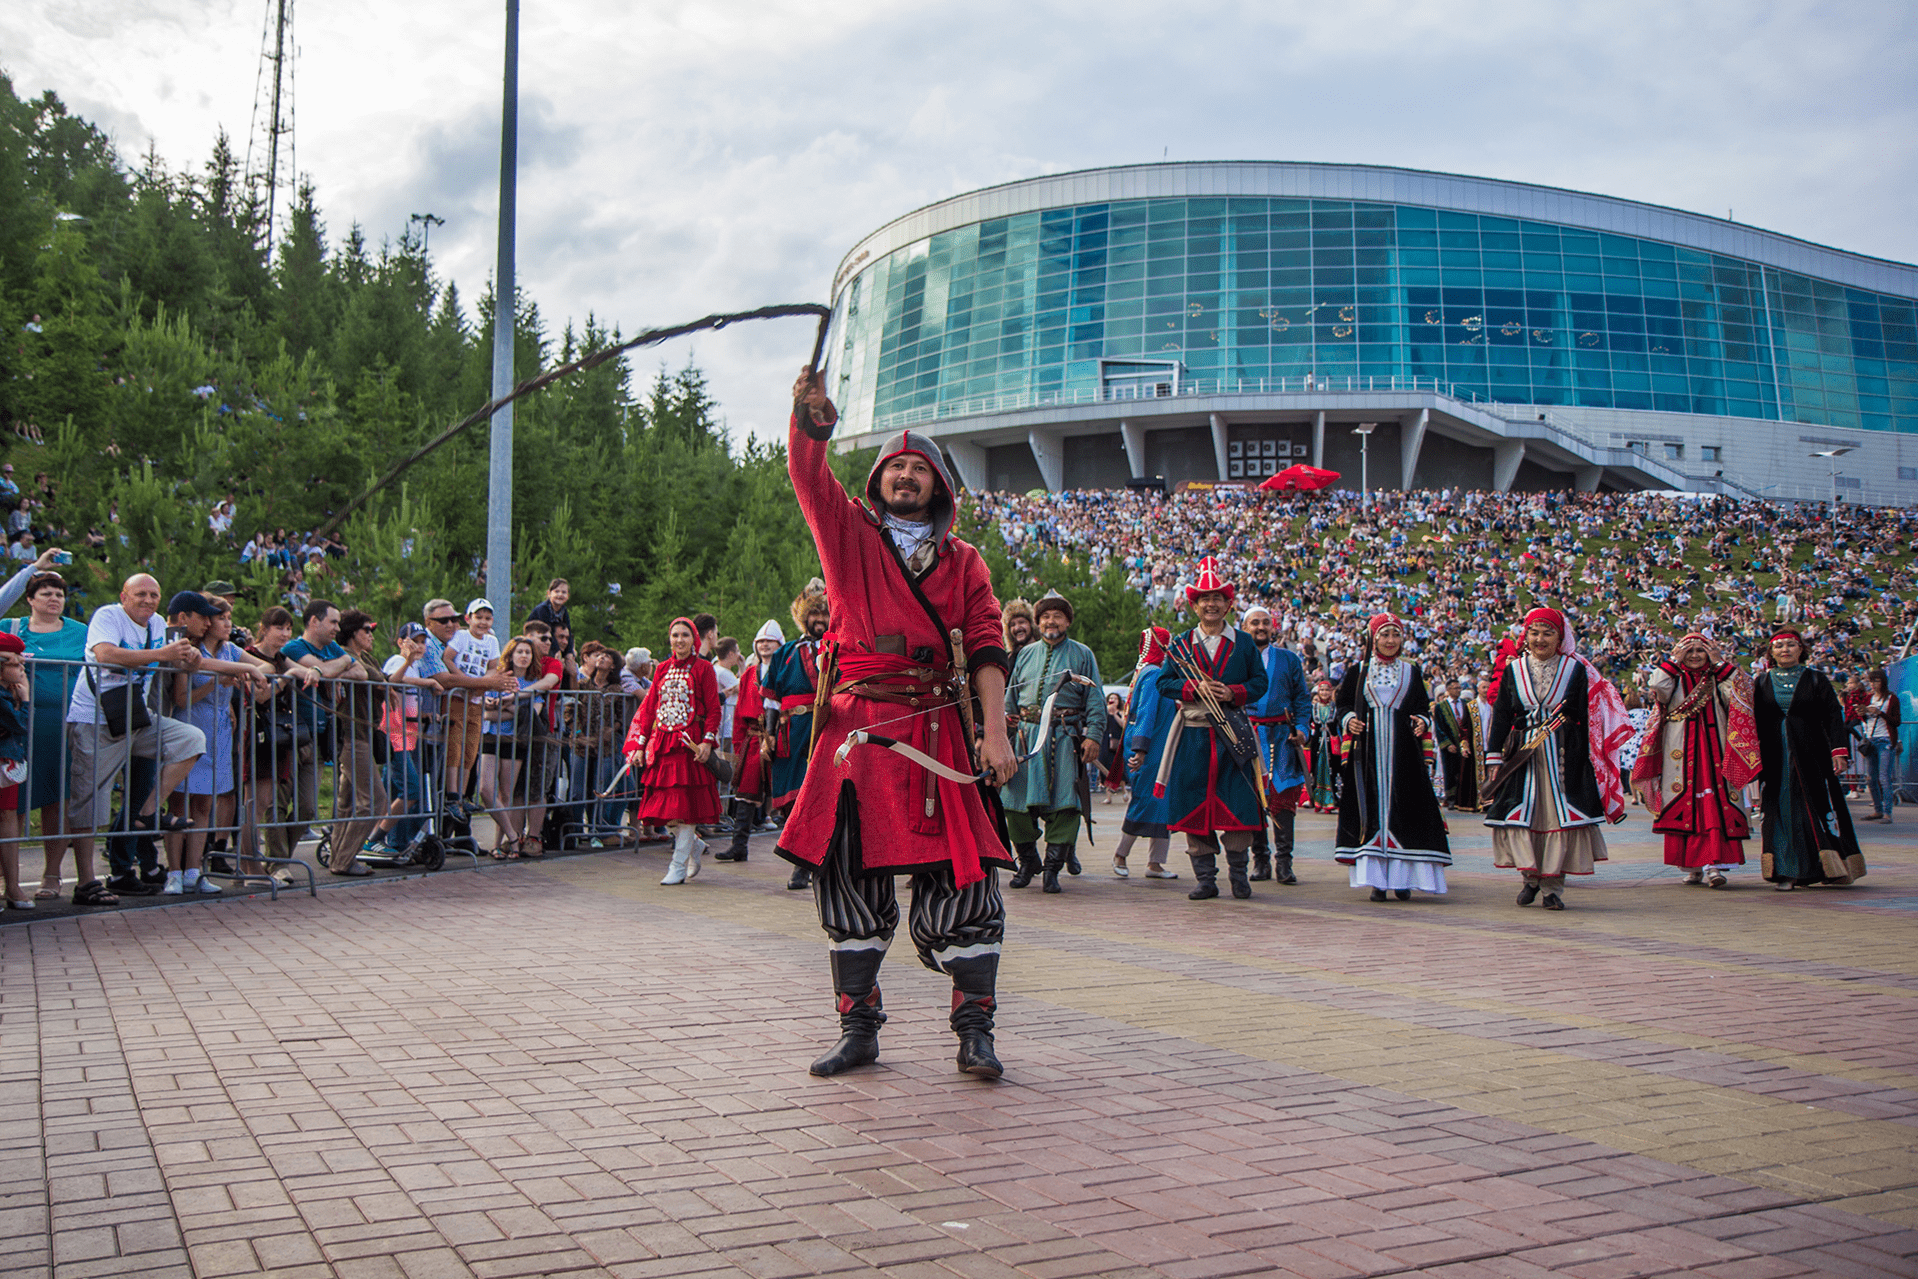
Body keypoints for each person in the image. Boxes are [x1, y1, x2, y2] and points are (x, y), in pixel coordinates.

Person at [782, 369, 1017, 1079]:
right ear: (880, 479)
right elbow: (807, 476)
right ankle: (859, 1028)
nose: (907, 476)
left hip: (937, 732)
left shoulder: (964, 560)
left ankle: (975, 1031)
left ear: (939, 485)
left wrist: (995, 730)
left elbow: (985, 645)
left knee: (968, 885)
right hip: (855, 733)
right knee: (846, 881)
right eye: (897, 467)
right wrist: (809, 420)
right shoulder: (848, 533)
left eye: (920, 468)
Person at [63, 575, 210, 907]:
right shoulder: (108, 616)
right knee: (89, 803)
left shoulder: (157, 624)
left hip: (136, 718)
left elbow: (187, 660)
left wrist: (248, 668)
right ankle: (86, 882)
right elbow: (105, 654)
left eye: (154, 594)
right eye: (140, 594)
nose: (148, 600)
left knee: (191, 740)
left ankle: (147, 812)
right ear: (124, 596)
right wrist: (163, 651)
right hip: (96, 719)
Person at [1483, 606, 1632, 911]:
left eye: (1548, 633)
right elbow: (1501, 717)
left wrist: (1579, 751)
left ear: (1559, 637)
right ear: (1526, 636)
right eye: (1534, 633)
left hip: (1561, 756)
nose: (1540, 639)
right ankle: (1530, 878)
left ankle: (1552, 887)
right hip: (1522, 758)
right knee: (1521, 816)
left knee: (1559, 820)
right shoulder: (1514, 670)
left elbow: (1581, 715)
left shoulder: (1573, 669)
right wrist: (1494, 759)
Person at [1155, 558, 1268, 901]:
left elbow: (1260, 682)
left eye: (1217, 597)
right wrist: (1193, 690)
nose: (1211, 604)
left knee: (1238, 806)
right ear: (1194, 604)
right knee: (1194, 807)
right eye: (1204, 598)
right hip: (1193, 737)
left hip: (1233, 736)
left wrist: (1234, 692)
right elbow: (1164, 683)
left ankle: (1238, 875)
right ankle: (1205, 880)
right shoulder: (1180, 644)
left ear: (1228, 603)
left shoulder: (1245, 644)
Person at [1333, 614, 1452, 902]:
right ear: (1373, 638)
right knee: (1371, 812)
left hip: (1404, 755)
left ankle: (1402, 879)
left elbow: (1423, 706)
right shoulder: (1358, 671)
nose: (1390, 641)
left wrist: (1423, 720)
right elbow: (1344, 703)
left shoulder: (1411, 672)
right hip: (1369, 755)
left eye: (1395, 635)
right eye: (1384, 635)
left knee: (1407, 811)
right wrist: (1349, 719)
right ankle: (1377, 881)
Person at [1633, 634, 1759, 888]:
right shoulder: (1674, 678)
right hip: (1680, 751)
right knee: (1684, 803)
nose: (1693, 655)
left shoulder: (1716, 677)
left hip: (1715, 751)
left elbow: (1740, 692)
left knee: (1715, 805)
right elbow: (1658, 688)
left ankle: (1714, 864)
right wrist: (1672, 661)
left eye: (1700, 651)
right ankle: (1691, 866)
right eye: (1688, 651)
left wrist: (1719, 663)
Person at [1001, 591, 1102, 893]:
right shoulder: (1025, 654)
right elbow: (1010, 696)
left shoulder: (1083, 654)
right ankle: (1028, 861)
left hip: (1063, 737)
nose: (1050, 621)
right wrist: (1003, 724)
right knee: (1013, 803)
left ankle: (1052, 870)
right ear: (1038, 622)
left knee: (1065, 805)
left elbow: (1095, 699)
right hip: (1025, 739)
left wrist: (1094, 735)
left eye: (1057, 616)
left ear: (1068, 621)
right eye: (1045, 616)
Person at [165, 598, 268, 893]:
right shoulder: (192, 649)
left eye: (229, 618)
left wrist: (248, 674)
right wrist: (217, 682)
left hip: (221, 731)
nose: (227, 624)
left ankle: (194, 870)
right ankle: (173, 871)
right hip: (191, 725)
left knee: (205, 804)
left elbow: (264, 664)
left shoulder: (231, 650)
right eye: (221, 617)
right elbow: (181, 699)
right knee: (180, 801)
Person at [1755, 629, 1866, 889]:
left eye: (1791, 645)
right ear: (1771, 652)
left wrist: (1838, 751)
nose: (1785, 650)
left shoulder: (1816, 679)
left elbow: (1833, 717)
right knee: (1782, 809)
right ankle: (1787, 869)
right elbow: (1753, 721)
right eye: (1779, 646)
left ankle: (1828, 866)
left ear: (1801, 649)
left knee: (1815, 806)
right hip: (1775, 759)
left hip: (1812, 755)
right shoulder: (1761, 682)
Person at [1, 569, 87, 900]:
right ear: (29, 598)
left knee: (57, 800)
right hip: (15, 725)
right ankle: (10, 878)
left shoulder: (80, 631)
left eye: (59, 594)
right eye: (46, 592)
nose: (53, 598)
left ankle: (52, 875)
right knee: (13, 804)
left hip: (62, 725)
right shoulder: (10, 628)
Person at [625, 617, 722, 883]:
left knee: (686, 808)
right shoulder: (662, 669)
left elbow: (714, 708)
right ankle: (694, 847)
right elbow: (650, 709)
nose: (679, 640)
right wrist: (639, 744)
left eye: (685, 635)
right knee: (666, 811)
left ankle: (677, 866)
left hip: (690, 745)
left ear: (694, 639)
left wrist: (707, 741)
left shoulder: (703, 669)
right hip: (664, 745)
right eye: (675, 635)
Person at [764, 581, 830, 891]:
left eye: (824, 613)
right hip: (790, 731)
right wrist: (768, 734)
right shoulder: (786, 653)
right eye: (814, 613)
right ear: (804, 617)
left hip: (827, 729)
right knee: (793, 799)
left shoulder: (839, 648)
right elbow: (771, 700)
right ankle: (801, 861)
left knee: (822, 796)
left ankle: (814, 863)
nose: (820, 619)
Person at [1241, 604, 1310, 885]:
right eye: (1254, 623)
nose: (1260, 627)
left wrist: (1302, 729)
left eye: (1265, 623)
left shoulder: (1289, 659)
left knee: (1282, 801)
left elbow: (1302, 700)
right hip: (1248, 736)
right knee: (1254, 798)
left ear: (1273, 627)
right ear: (1244, 628)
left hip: (1282, 738)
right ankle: (1260, 860)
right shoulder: (1237, 659)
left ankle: (1284, 862)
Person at [327, 610, 390, 875]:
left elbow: (384, 680)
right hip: (352, 736)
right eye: (367, 630)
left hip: (364, 733)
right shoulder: (345, 655)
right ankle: (343, 859)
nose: (371, 635)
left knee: (347, 803)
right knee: (375, 801)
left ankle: (339, 858)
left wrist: (408, 661)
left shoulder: (366, 657)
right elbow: (376, 679)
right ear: (353, 633)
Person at [1112, 625, 1177, 880]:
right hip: (1149, 752)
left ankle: (1155, 863)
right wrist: (1140, 749)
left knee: (1162, 803)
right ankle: (1120, 854)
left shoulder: (1154, 673)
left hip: (1159, 750)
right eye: (1167, 645)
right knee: (1146, 801)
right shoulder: (1153, 675)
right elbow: (1147, 714)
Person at [479, 635, 546, 859]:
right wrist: (509, 709)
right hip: (490, 737)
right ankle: (513, 835)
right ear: (511, 654)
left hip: (514, 740)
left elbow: (530, 713)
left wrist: (508, 708)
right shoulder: (497, 678)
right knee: (485, 790)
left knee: (505, 794)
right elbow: (485, 713)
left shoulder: (533, 683)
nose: (524, 656)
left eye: (528, 652)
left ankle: (500, 844)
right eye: (520, 651)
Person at [721, 621, 784, 862]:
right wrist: (740, 746)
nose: (764, 645)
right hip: (753, 739)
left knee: (787, 796)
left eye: (769, 641)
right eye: (760, 642)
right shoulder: (749, 674)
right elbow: (738, 715)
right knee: (745, 795)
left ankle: (799, 859)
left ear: (780, 644)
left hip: (780, 737)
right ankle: (739, 846)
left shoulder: (786, 669)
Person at [0, 633, 33, 909]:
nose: (23, 668)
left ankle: (12, 886)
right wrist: (27, 699)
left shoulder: (8, 691)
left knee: (9, 815)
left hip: (7, 763)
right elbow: (19, 725)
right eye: (16, 662)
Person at [1858, 668, 1902, 824]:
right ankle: (1878, 809)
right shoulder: (1868, 698)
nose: (1873, 684)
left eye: (1876, 680)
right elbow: (1865, 721)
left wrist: (1880, 713)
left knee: (1884, 777)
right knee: (1871, 778)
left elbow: (1896, 721)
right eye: (1871, 681)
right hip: (1871, 739)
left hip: (1885, 740)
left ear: (1883, 681)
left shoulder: (1891, 699)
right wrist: (1862, 713)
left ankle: (1887, 813)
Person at [1432, 678, 1473, 810]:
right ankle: (1450, 798)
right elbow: (1439, 727)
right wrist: (1447, 744)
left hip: (1464, 743)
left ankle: (1462, 798)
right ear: (1448, 690)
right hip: (1449, 744)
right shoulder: (1440, 706)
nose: (1458, 690)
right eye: (1455, 688)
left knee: (1464, 770)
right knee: (1450, 770)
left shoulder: (1467, 704)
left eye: (1459, 688)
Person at [1305, 678, 1341, 812]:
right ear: (1318, 692)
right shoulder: (1313, 708)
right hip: (1317, 743)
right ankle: (1317, 801)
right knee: (1317, 771)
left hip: (1331, 743)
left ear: (1331, 692)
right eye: (1322, 690)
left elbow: (1340, 726)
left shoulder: (1335, 708)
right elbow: (1307, 725)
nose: (1324, 693)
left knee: (1332, 771)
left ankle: (1332, 801)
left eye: (1327, 690)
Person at [526, 578, 572, 655]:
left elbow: (568, 632)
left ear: (568, 596)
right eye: (556, 591)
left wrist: (570, 653)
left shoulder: (563, 611)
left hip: (551, 642)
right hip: (537, 641)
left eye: (563, 592)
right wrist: (557, 651)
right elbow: (547, 631)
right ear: (549, 593)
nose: (560, 594)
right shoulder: (543, 609)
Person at [1001, 598, 1035, 666]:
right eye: (1012, 625)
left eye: (1021, 622)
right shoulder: (1008, 659)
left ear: (1031, 624)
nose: (1017, 628)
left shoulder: (1044, 651)